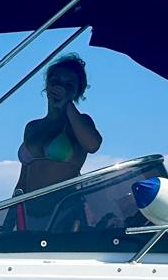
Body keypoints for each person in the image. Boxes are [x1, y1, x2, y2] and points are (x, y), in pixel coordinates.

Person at [14, 54, 102, 195]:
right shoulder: (32, 127)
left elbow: (92, 145)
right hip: (30, 206)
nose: (60, 87)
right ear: (47, 85)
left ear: (78, 91)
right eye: (55, 82)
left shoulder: (81, 122)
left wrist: (67, 103)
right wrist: (14, 205)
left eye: (69, 85)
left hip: (65, 205)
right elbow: (23, 178)